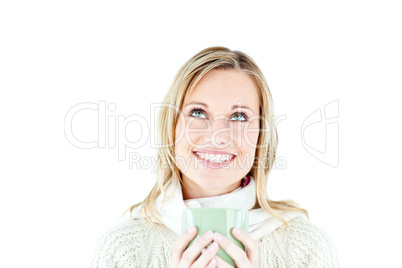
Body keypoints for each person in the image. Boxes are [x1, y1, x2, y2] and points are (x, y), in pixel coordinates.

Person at [90, 47, 339, 268]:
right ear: (172, 127)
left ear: (261, 136)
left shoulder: (306, 249)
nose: (218, 136)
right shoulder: (123, 251)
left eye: (239, 116)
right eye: (198, 112)